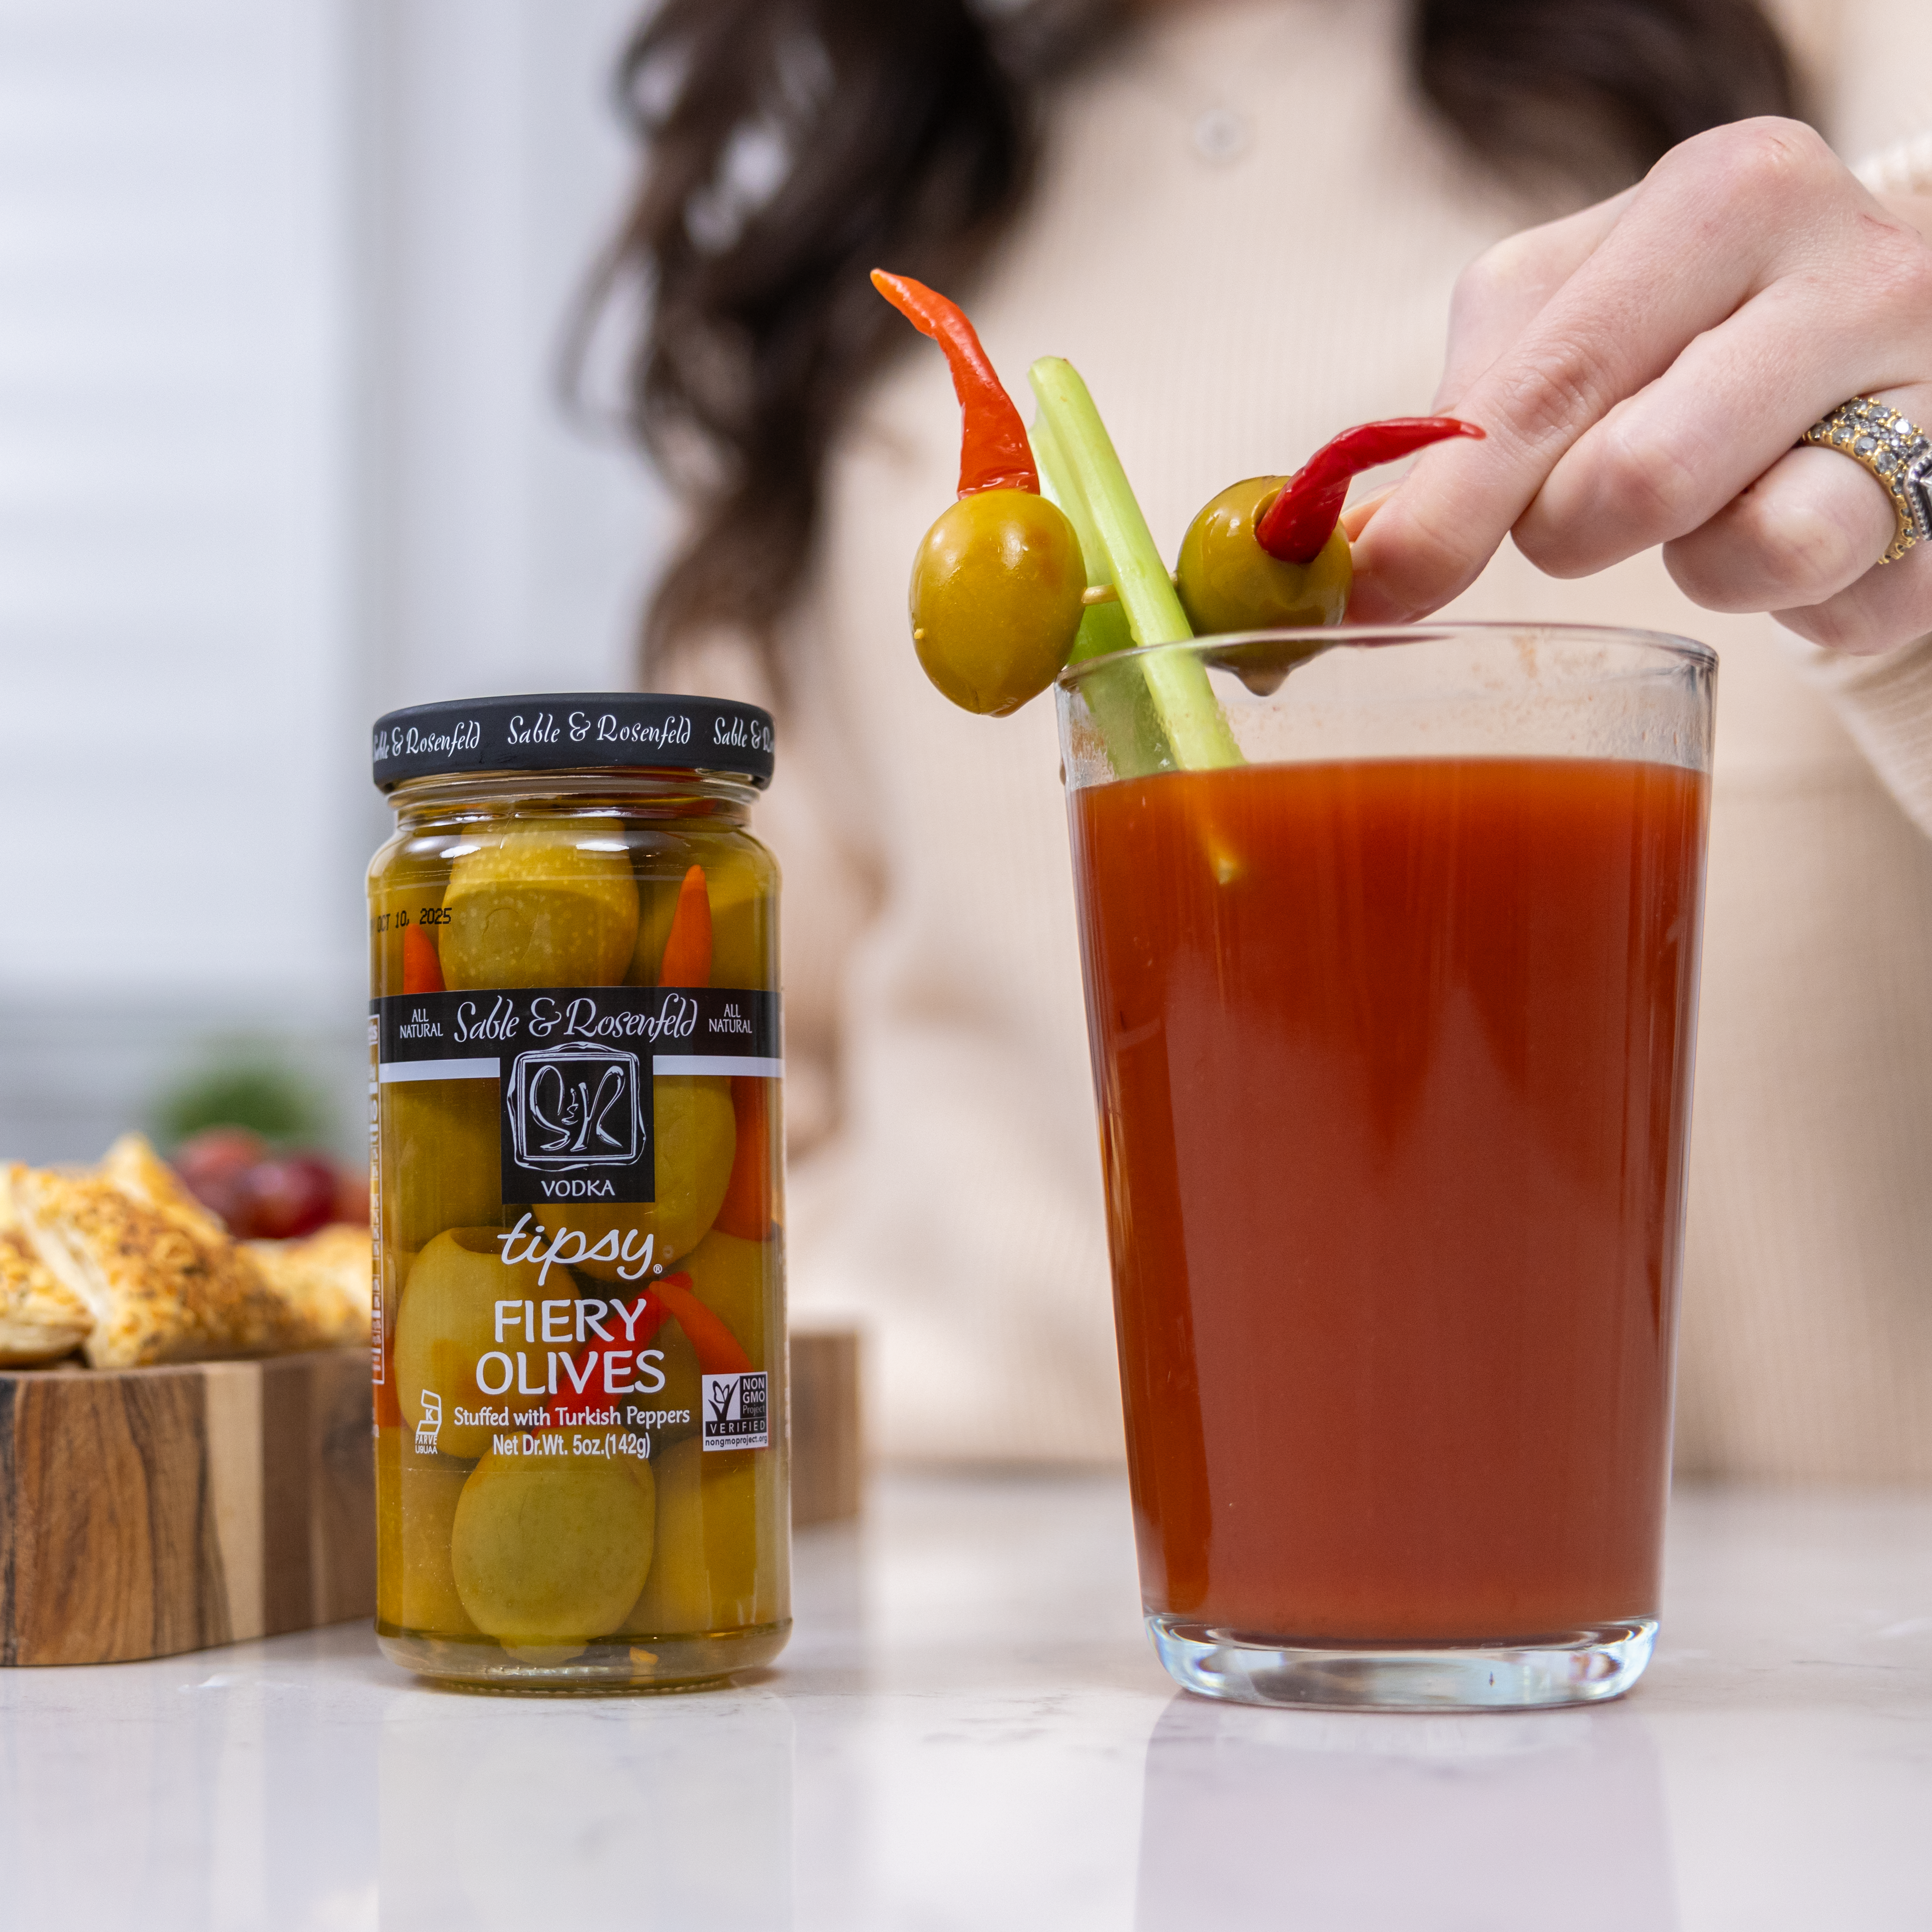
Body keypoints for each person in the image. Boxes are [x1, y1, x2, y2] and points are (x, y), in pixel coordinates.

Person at [593, 0, 1932, 1476]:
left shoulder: (1861, 71)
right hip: (968, 1628)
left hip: (1744, 1651)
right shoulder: (828, 248)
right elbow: (721, 1118)